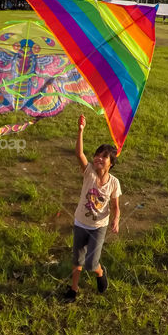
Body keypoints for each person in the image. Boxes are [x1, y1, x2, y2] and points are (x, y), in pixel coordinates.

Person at [64, 114, 121, 301]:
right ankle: (73, 289)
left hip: (98, 227)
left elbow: (115, 206)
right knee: (77, 259)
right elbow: (79, 154)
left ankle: (99, 272)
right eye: (97, 155)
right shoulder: (89, 173)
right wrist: (81, 131)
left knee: (91, 263)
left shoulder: (114, 183)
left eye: (104, 157)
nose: (98, 158)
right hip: (81, 221)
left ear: (111, 163)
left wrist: (116, 219)